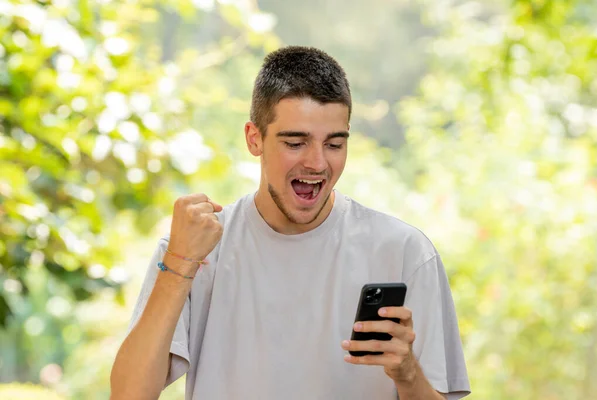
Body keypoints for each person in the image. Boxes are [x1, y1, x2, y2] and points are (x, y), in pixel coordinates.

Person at [110, 46, 471, 400]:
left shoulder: (404, 252)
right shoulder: (196, 248)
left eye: (334, 144)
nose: (317, 163)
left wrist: (407, 374)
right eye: (296, 142)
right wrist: (178, 264)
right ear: (255, 139)